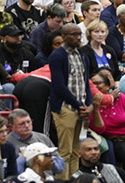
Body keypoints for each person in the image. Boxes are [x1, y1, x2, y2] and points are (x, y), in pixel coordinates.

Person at [49, 23, 92, 179]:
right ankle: (62, 180)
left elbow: (86, 83)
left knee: (76, 152)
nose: (78, 37)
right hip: (65, 108)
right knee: (65, 151)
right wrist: (79, 105)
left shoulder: (83, 56)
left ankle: (75, 180)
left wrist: (89, 104)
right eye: (74, 34)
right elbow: (59, 86)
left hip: (80, 107)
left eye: (79, 34)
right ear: (64, 37)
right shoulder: (57, 56)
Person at [89, 70, 125, 172]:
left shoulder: (119, 98)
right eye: (93, 85)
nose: (95, 87)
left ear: (107, 86)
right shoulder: (89, 105)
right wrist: (96, 109)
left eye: (98, 83)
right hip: (115, 139)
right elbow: (100, 130)